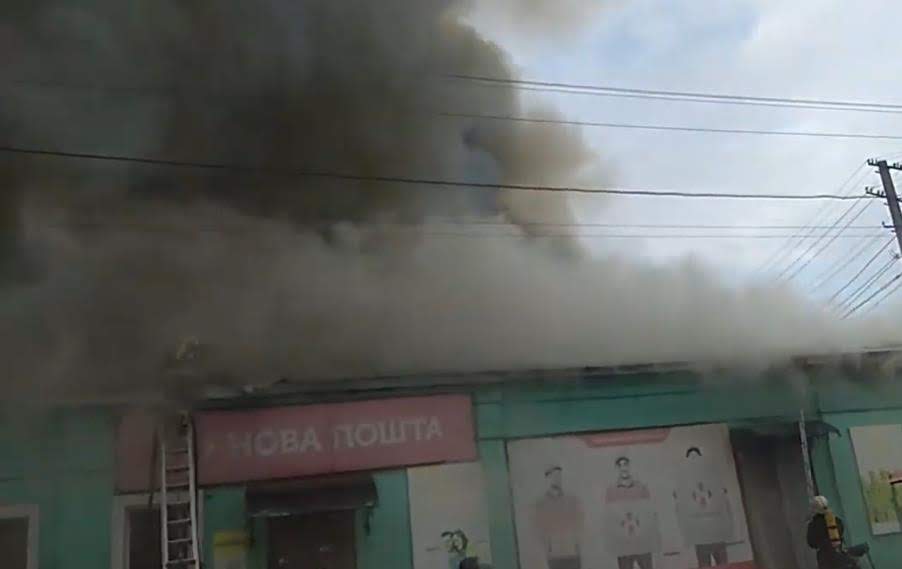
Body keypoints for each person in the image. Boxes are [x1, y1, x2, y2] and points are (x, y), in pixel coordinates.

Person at [603, 456, 660, 569]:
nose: (623, 468)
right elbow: (610, 518)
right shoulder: (611, 491)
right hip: (623, 543)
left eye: (625, 464)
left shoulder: (641, 487)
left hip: (642, 541)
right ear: (616, 469)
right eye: (620, 465)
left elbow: (650, 514)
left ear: (630, 467)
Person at [533, 465, 584, 569]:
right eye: (554, 476)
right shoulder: (541, 504)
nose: (557, 479)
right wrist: (547, 549)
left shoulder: (571, 500)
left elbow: (579, 525)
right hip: (554, 555)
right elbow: (539, 529)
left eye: (559, 476)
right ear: (547, 478)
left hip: (572, 553)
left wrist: (577, 546)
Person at [807, 496, 854, 569]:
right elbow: (841, 532)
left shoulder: (813, 525)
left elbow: (811, 543)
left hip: (825, 558)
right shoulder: (836, 520)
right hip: (839, 554)